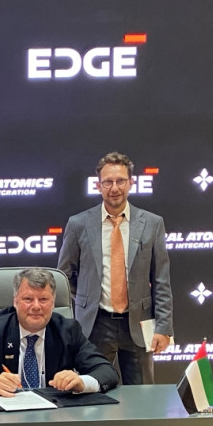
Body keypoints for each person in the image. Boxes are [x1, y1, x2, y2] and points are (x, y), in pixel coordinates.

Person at [57, 151, 173, 385]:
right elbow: (63, 276)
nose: (114, 188)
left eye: (120, 181)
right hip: (95, 324)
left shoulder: (152, 223)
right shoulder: (78, 224)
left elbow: (161, 280)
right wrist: (85, 300)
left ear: (131, 183)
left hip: (138, 323)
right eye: (108, 182)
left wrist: (164, 327)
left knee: (143, 395)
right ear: (98, 186)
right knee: (91, 390)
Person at [0, 268, 119, 396]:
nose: (36, 306)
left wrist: (82, 383)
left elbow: (107, 371)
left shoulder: (67, 330)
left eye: (43, 299)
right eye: (28, 299)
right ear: (15, 301)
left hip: (55, 416)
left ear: (53, 303)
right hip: (5, 416)